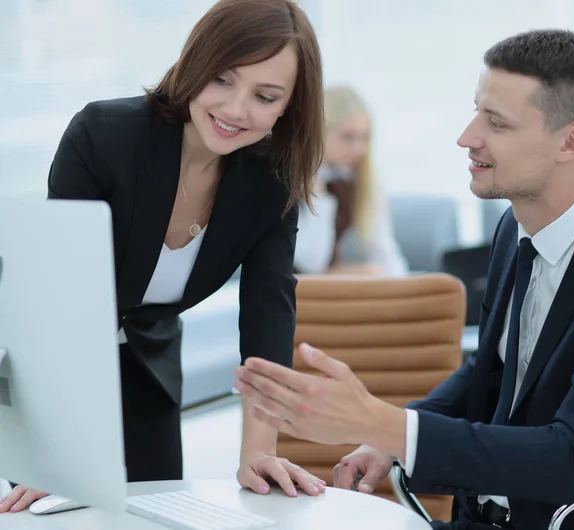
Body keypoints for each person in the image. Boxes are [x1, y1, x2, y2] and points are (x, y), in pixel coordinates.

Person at [233, 29, 574, 530]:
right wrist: (389, 437)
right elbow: (491, 371)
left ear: (571, 142)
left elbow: (573, 457)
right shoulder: (514, 227)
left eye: (496, 122)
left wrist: (385, 424)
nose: (467, 136)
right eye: (476, 111)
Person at [0, 0, 328, 515]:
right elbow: (65, 295)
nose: (237, 109)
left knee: (155, 512)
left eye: (265, 96)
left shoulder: (272, 182)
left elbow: (268, 312)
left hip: (149, 363)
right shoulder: (104, 135)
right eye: (222, 79)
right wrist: (59, 451)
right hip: (58, 361)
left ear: (289, 106)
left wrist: (260, 451)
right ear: (195, 63)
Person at [294, 86, 409, 276]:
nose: (358, 149)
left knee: (375, 272)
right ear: (318, 132)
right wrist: (318, 192)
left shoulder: (354, 180)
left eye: (364, 138)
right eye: (348, 137)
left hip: (320, 287)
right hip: (287, 288)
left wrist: (409, 294)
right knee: (371, 273)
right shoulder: (289, 179)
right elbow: (310, 264)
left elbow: (383, 250)